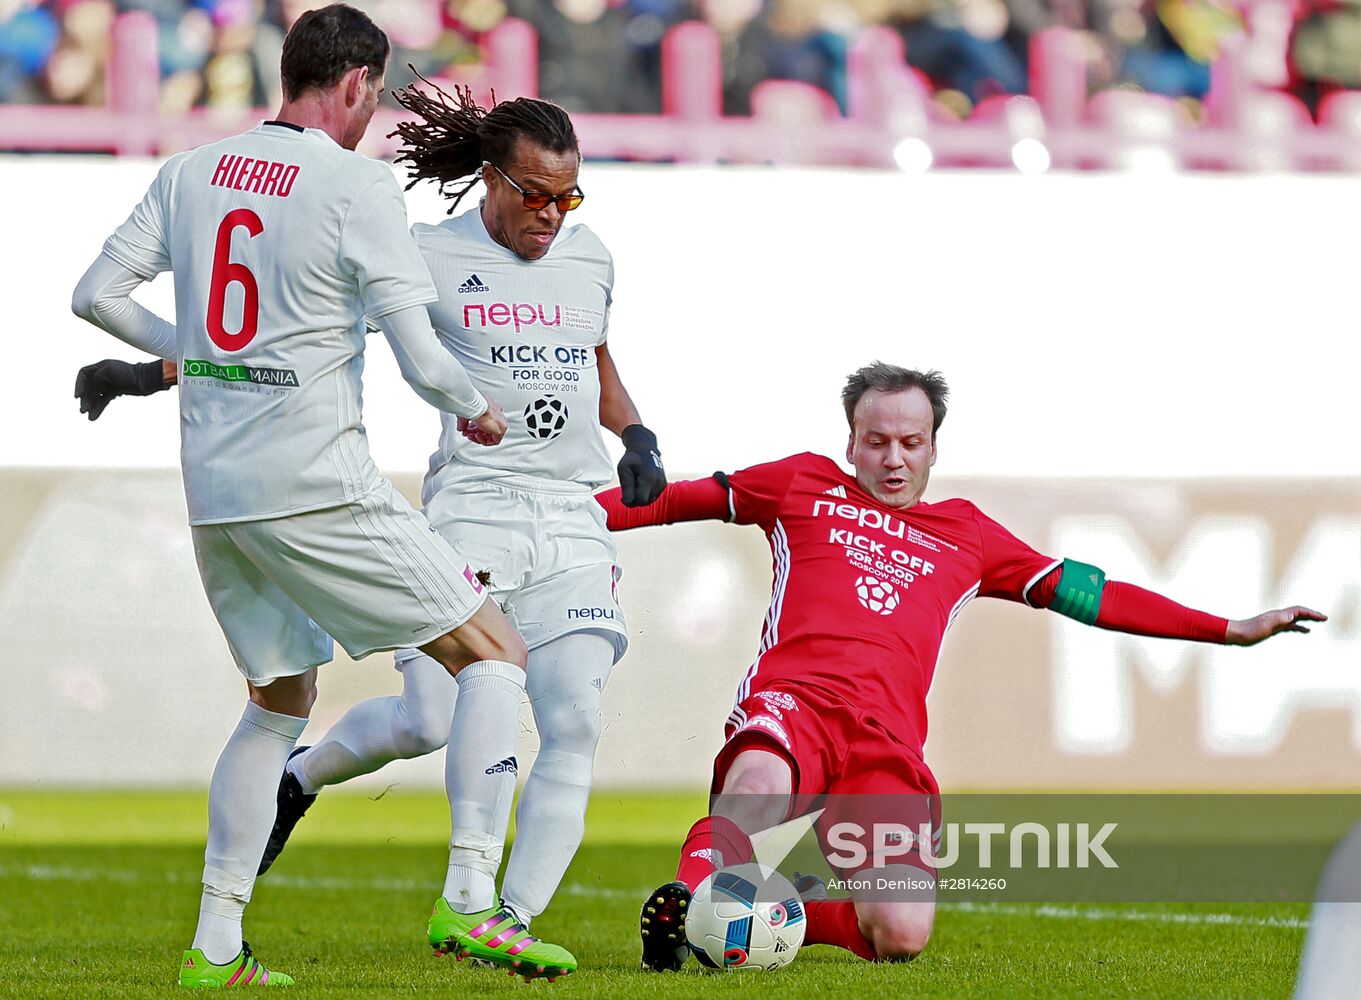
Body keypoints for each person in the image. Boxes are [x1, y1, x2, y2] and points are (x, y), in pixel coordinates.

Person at [73, 80, 666, 977]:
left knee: (574, 716)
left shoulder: (592, 258)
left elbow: (594, 364)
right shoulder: (424, 249)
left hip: (570, 515)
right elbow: (291, 328)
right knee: (432, 716)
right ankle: (300, 779)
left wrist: (637, 433)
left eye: (568, 196)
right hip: (475, 504)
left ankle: (503, 912)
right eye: (536, 194)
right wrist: (147, 373)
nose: (552, 215)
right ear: (492, 180)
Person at [593, 361, 1326, 970]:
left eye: (910, 442)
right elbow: (661, 504)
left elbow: (1088, 593)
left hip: (884, 744)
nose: (892, 458)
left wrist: (1226, 629)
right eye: (875, 441)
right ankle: (691, 900)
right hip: (795, 705)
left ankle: (776, 914)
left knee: (901, 933)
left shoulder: (967, 536)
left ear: (933, 447)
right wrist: (552, 528)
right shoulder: (798, 486)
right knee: (758, 786)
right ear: (849, 443)